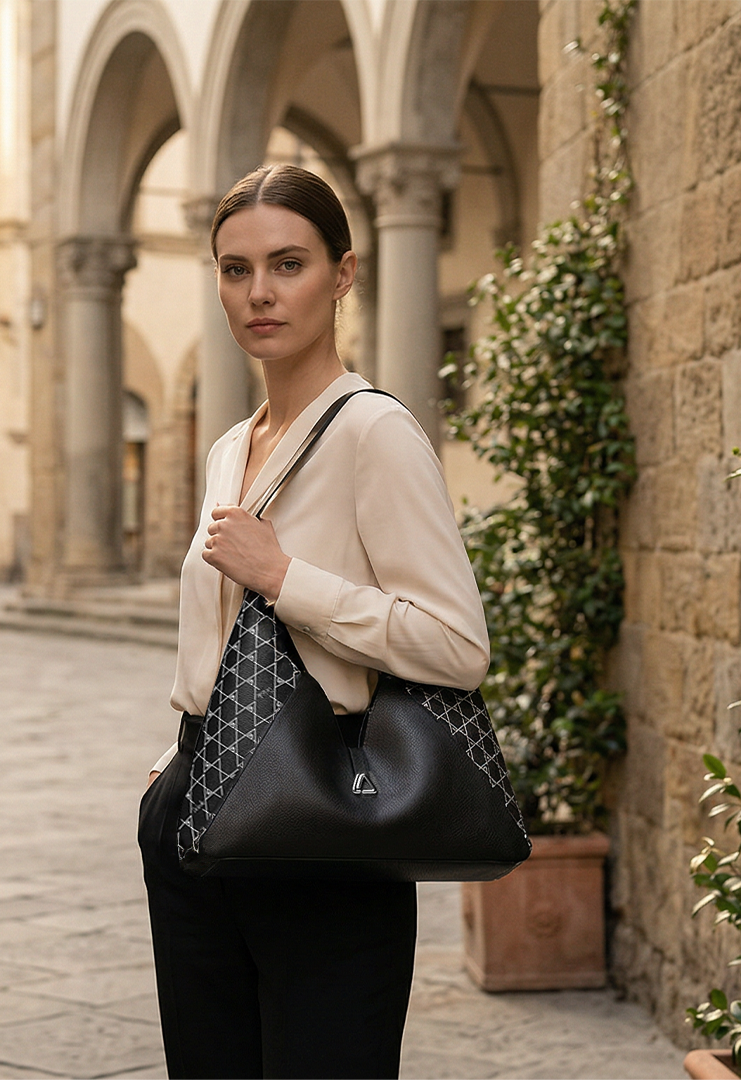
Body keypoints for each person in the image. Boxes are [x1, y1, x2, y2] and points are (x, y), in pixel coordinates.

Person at [138, 164, 490, 1078]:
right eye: (234, 268)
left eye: (286, 264)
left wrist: (286, 576)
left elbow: (455, 645)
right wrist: (184, 754)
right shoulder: (228, 447)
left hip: (325, 823)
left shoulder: (375, 433)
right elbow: (219, 637)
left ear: (342, 274)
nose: (257, 292)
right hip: (200, 814)